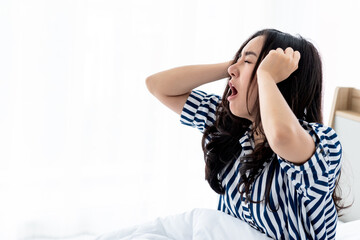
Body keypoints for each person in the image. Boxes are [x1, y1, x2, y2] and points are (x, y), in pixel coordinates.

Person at [145, 28, 345, 239]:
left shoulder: (323, 142)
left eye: (249, 62)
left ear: (282, 79)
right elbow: (158, 86)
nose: (232, 69)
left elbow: (280, 137)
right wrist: (236, 65)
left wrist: (266, 75)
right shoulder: (229, 125)